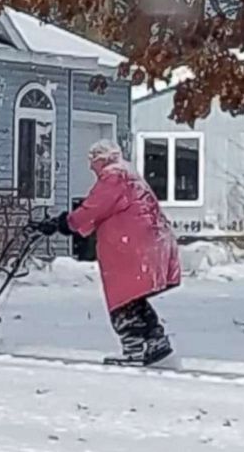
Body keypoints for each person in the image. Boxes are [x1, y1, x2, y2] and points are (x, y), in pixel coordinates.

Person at [36, 139, 181, 366]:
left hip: (131, 248)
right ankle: (155, 342)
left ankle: (134, 348)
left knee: (122, 300)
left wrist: (66, 223)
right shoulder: (129, 176)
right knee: (134, 298)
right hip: (148, 242)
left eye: (92, 161)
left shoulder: (114, 177)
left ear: (101, 159)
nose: (90, 167)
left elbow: (95, 207)